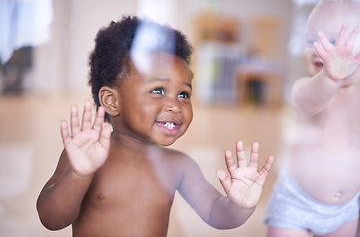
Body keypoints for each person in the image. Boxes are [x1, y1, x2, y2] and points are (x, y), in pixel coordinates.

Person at [36, 15, 274, 237]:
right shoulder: (86, 158)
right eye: (158, 90)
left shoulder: (179, 165)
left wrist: (240, 206)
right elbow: (52, 219)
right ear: (111, 100)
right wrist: (78, 175)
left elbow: (215, 212)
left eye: (184, 94)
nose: (175, 105)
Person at [264, 0, 360, 236]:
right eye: (311, 40)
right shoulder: (304, 88)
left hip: (345, 211)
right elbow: (310, 102)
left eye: (335, 42)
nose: (320, 49)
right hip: (296, 205)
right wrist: (330, 78)